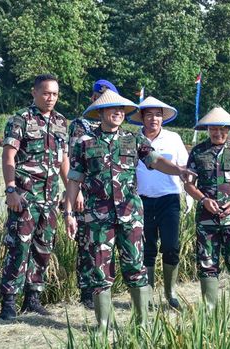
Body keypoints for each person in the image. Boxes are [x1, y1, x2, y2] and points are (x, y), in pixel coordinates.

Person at [64, 90, 194, 330]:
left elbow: (155, 160)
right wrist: (69, 213)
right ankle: (103, 324)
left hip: (130, 215)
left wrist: (179, 171)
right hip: (98, 217)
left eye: (121, 110)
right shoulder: (85, 142)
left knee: (136, 266)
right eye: (112, 109)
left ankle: (142, 322)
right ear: (101, 112)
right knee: (99, 270)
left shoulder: (133, 140)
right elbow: (74, 179)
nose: (117, 113)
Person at [0, 74, 69, 320]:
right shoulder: (20, 120)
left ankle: (33, 299)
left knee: (43, 249)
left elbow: (64, 161)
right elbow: (9, 156)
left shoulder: (61, 121)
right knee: (19, 247)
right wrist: (11, 189)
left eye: (55, 94)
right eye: (46, 93)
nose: (51, 98)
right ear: (35, 92)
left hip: (50, 199)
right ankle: (8, 304)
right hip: (25, 197)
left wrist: (69, 192)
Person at [184, 107, 230, 310]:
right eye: (214, 129)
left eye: (223, 129)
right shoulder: (198, 151)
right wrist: (203, 199)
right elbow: (189, 184)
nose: (218, 133)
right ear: (208, 129)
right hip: (207, 218)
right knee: (207, 263)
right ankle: (210, 309)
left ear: (229, 129)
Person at [130, 96, 188, 310]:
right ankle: (149, 294)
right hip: (142, 200)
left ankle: (170, 293)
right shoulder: (133, 140)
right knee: (147, 248)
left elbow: (184, 169)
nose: (154, 119)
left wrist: (188, 197)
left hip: (169, 199)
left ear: (163, 118)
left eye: (158, 115)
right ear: (142, 118)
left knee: (171, 246)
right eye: (149, 114)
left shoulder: (173, 139)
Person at [67, 79, 118, 310]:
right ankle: (86, 291)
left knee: (103, 245)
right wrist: (74, 194)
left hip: (108, 197)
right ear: (93, 98)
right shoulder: (79, 125)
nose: (102, 100)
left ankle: (102, 289)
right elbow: (72, 158)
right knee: (85, 243)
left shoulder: (114, 126)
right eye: (99, 96)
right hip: (84, 194)